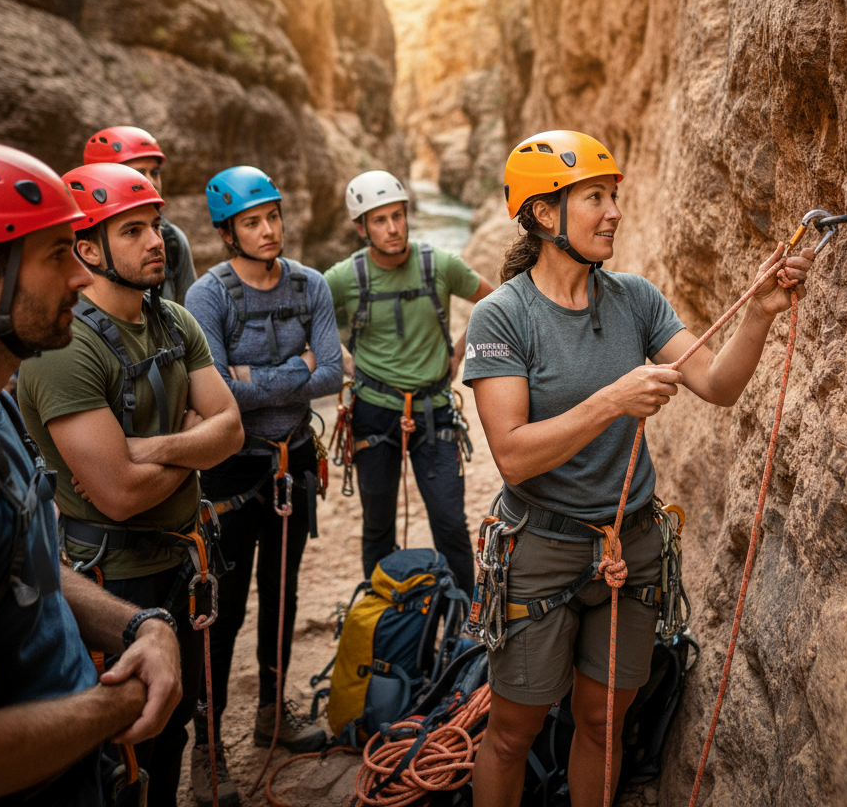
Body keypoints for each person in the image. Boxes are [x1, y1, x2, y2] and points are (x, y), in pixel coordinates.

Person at [462, 130, 817, 807]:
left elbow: (715, 383)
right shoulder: (502, 317)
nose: (614, 211)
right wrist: (611, 401)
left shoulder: (634, 300)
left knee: (603, 719)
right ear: (542, 213)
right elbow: (511, 452)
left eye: (613, 196)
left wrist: (761, 314)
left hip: (630, 545)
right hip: (539, 546)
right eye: (594, 197)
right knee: (512, 732)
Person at [0, 141, 182, 806]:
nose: (82, 278)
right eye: (58, 255)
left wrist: (143, 627)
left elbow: (34, 572)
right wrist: (124, 702)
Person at [17, 160, 244, 807]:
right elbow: (117, 493)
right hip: (111, 577)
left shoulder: (172, 318)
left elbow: (232, 431)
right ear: (86, 249)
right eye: (133, 230)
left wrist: (150, 449)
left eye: (156, 225)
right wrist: (195, 445)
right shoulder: (66, 348)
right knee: (128, 751)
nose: (157, 242)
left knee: (171, 730)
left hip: (181, 556)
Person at [184, 166, 342, 806]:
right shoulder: (208, 296)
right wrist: (293, 369)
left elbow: (333, 372)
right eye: (253, 221)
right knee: (221, 609)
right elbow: (218, 394)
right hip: (231, 470)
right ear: (228, 233)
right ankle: (207, 747)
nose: (269, 229)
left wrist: (257, 376)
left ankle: (272, 712)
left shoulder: (311, 285)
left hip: (293, 461)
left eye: (273, 216)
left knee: (283, 589)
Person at [324, 170, 495, 596]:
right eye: (379, 220)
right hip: (372, 411)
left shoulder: (438, 263)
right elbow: (311, 320)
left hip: (434, 409)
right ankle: (383, 616)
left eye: (397, 216)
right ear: (361, 228)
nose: (393, 228)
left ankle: (463, 624)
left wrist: (459, 352)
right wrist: (342, 357)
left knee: (450, 522)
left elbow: (494, 301)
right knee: (378, 524)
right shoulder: (344, 278)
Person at [83, 125, 197, 304]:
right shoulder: (69, 246)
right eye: (137, 173)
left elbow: (190, 313)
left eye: (155, 172)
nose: (151, 182)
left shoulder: (171, 239)